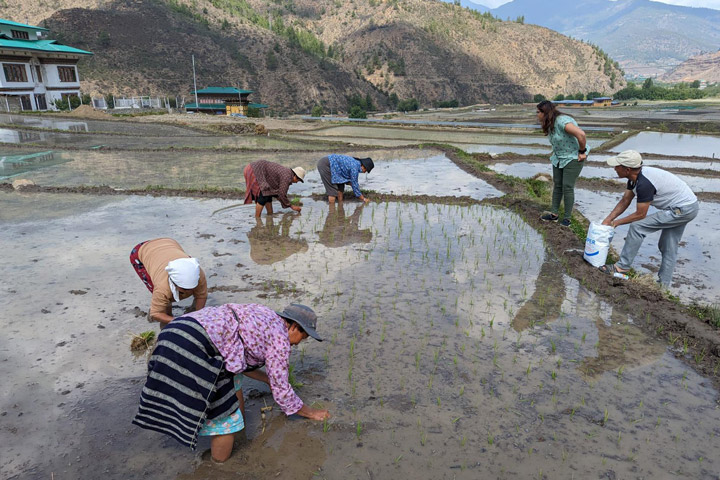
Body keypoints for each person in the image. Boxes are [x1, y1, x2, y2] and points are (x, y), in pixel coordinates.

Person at [133, 303, 330, 463]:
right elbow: (282, 391)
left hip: (173, 332)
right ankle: (219, 466)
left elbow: (236, 359)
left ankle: (237, 430)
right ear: (294, 326)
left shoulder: (262, 314)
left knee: (232, 381)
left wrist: (269, 379)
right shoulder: (280, 339)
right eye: (302, 338)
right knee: (226, 418)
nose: (297, 344)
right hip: (196, 346)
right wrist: (311, 412)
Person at [599, 150, 699, 287]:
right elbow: (625, 200)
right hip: (686, 206)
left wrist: (616, 223)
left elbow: (640, 215)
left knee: (637, 227)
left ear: (627, 169)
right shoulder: (634, 178)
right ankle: (663, 286)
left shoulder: (644, 183)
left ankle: (622, 267)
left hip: (682, 209)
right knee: (668, 245)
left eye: (617, 166)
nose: (614, 168)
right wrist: (607, 220)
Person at [129, 238, 207, 324]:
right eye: (184, 290)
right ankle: (164, 313)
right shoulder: (162, 287)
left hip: (168, 243)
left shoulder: (198, 273)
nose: (189, 292)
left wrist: (198, 316)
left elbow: (201, 296)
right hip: (141, 251)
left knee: (198, 300)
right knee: (163, 300)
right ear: (173, 283)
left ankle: (191, 310)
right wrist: (177, 321)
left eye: (193, 288)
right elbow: (155, 314)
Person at [536, 100, 588, 227]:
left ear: (545, 112)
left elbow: (581, 134)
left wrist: (582, 151)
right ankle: (554, 215)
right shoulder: (550, 123)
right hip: (559, 158)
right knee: (557, 185)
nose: (536, 114)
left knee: (567, 186)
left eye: (538, 112)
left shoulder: (561, 121)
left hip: (573, 158)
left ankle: (567, 219)